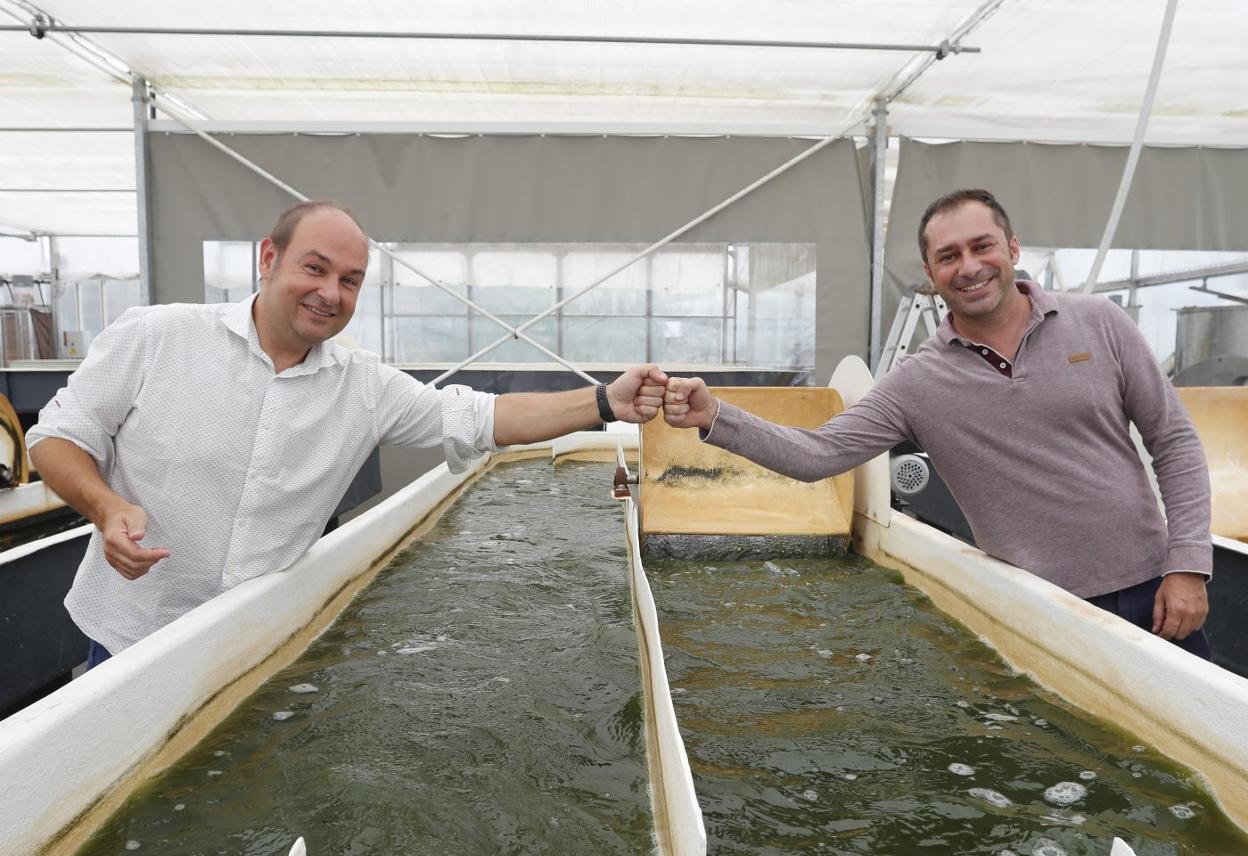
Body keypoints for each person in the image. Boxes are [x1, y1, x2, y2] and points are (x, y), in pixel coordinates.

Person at [28, 200, 669, 666]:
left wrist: (604, 401)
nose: (330, 292)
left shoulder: (363, 387)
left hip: (254, 648)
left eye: (350, 280)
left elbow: (486, 418)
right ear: (269, 258)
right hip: (130, 637)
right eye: (315, 268)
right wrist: (106, 507)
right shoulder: (156, 336)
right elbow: (57, 438)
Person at [662, 188, 1213, 657]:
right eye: (948, 256)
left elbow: (1174, 441)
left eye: (982, 246)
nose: (969, 266)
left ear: (1013, 248)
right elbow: (817, 455)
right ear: (930, 274)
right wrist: (714, 415)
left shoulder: (1100, 323)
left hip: (1156, 591)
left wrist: (1187, 565)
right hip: (1039, 613)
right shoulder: (917, 382)